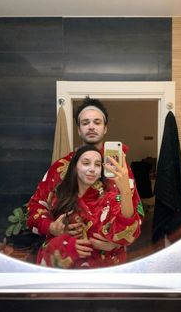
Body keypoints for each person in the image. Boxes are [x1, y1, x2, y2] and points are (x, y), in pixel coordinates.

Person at [27, 96, 144, 257]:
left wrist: (116, 242)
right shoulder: (60, 168)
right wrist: (52, 227)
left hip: (108, 262)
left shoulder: (120, 168)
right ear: (79, 130)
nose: (91, 127)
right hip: (66, 261)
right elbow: (35, 208)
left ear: (105, 128)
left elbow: (137, 214)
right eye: (85, 122)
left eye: (97, 122)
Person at [27, 145, 141, 268]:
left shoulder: (110, 199)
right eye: (86, 163)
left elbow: (129, 233)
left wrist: (125, 191)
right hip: (65, 278)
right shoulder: (57, 196)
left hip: (102, 274)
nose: (92, 169)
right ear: (75, 167)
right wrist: (62, 239)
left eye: (97, 165)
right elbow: (34, 216)